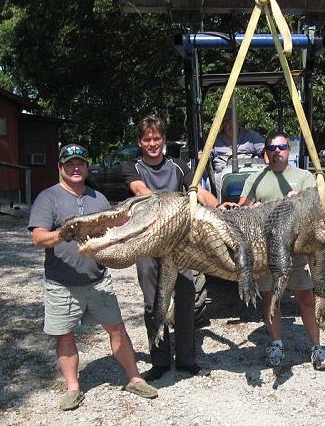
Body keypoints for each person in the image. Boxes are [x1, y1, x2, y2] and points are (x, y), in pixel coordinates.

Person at [28, 144, 157, 411]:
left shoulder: (98, 198)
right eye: (70, 163)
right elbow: (38, 238)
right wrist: (64, 233)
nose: (76, 168)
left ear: (87, 167)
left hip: (98, 279)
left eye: (80, 163)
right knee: (65, 335)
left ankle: (134, 378)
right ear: (60, 168)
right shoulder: (48, 198)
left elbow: (114, 227)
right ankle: (73, 388)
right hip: (61, 282)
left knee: (117, 329)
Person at [122, 115, 220, 381]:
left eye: (157, 138)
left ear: (163, 140)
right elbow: (139, 189)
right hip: (147, 245)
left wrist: (219, 207)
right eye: (147, 139)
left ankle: (187, 359)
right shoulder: (133, 167)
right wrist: (165, 203)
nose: (152, 143)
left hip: (179, 245)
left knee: (187, 299)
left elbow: (197, 190)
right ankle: (160, 360)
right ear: (140, 142)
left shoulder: (178, 166)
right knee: (153, 304)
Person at [238, 132, 325, 371]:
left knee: (305, 298)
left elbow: (316, 206)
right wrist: (252, 209)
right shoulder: (255, 179)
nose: (277, 151)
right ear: (266, 152)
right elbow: (241, 210)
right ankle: (276, 344)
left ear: (289, 150)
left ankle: (317, 347)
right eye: (272, 147)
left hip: (297, 248)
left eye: (281, 146)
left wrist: (299, 200)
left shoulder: (304, 177)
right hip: (266, 249)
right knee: (271, 297)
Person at [204, 110, 265, 195]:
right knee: (212, 181)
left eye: (233, 121)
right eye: (227, 122)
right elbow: (205, 154)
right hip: (223, 173)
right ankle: (219, 205)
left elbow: (265, 150)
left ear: (238, 122)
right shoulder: (215, 139)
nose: (231, 125)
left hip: (249, 170)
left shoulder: (251, 136)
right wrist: (202, 156)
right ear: (222, 124)